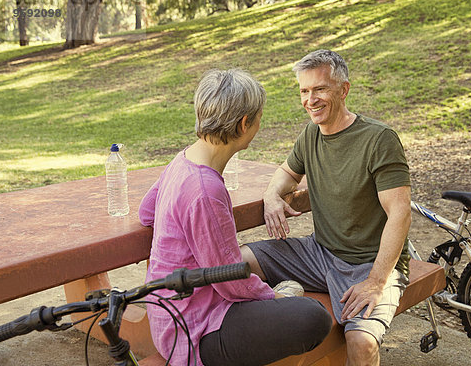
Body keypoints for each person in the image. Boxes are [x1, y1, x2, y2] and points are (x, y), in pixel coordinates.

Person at [139, 69, 332, 366]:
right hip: (194, 329)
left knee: (274, 277)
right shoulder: (205, 190)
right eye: (258, 118)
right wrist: (277, 300)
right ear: (244, 124)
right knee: (312, 317)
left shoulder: (183, 160)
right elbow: (231, 282)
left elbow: (146, 211)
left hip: (169, 313)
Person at [241, 50, 412, 366]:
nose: (310, 99)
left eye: (319, 89)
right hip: (318, 254)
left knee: (361, 342)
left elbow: (400, 213)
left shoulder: (379, 139)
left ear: (343, 89)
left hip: (369, 264)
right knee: (239, 262)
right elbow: (286, 174)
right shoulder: (310, 134)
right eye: (304, 91)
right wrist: (272, 196)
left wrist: (376, 281)